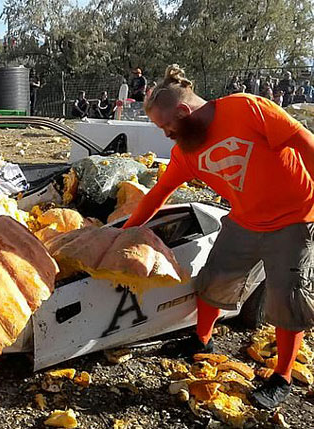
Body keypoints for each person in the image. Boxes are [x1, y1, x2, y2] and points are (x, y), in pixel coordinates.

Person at [124, 64, 314, 409]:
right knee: (212, 283)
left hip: (294, 219)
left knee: (287, 301)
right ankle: (202, 340)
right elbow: (158, 194)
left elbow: (306, 145)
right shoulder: (186, 152)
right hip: (244, 221)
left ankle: (282, 377)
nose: (166, 134)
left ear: (184, 111)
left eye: (166, 125)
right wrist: (126, 231)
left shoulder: (248, 108)